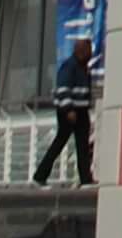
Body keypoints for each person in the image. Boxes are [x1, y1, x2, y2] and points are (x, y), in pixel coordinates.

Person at [34, 33, 97, 185]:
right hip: (69, 111)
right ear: (80, 51)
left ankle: (85, 179)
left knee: (83, 145)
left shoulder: (84, 68)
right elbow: (63, 88)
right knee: (60, 142)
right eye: (88, 50)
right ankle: (40, 175)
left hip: (81, 111)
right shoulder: (69, 66)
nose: (90, 54)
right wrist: (68, 109)